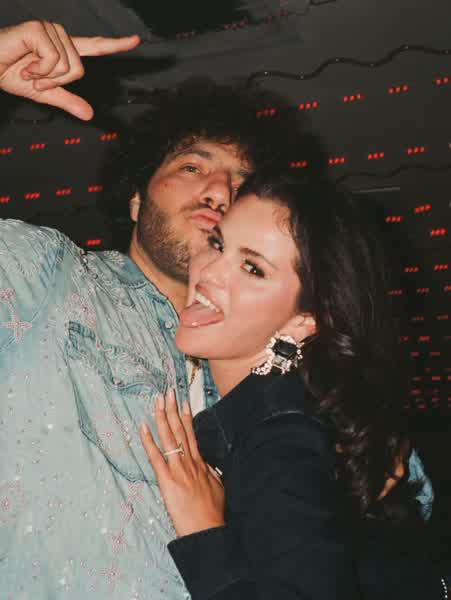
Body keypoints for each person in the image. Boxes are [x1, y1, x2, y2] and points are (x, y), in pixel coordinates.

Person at [0, 20, 434, 599]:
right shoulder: (46, 273)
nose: (220, 191)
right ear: (136, 199)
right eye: (192, 167)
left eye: (241, 184)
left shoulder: (286, 392)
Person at [140, 171, 447, 599]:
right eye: (218, 244)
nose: (209, 271)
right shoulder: (288, 418)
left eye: (252, 268)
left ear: (304, 321)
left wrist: (203, 531)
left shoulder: (280, 440)